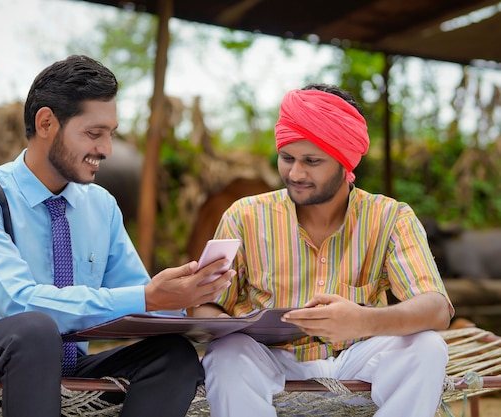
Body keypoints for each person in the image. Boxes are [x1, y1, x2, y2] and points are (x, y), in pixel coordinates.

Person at [0, 54, 234, 417]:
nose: (106, 150)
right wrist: (146, 297)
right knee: (35, 330)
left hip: (71, 363)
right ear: (46, 122)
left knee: (173, 353)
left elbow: (140, 302)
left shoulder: (101, 205)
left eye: (110, 134)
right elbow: (17, 304)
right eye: (93, 134)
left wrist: (200, 306)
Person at [193, 83, 454, 417]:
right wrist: (228, 324)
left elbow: (436, 308)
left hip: (359, 356)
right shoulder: (244, 216)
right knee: (226, 353)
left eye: (312, 161)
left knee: (428, 347)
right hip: (268, 359)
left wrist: (364, 321)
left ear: (345, 163)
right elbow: (206, 308)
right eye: (287, 158)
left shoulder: (390, 217)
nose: (295, 173)